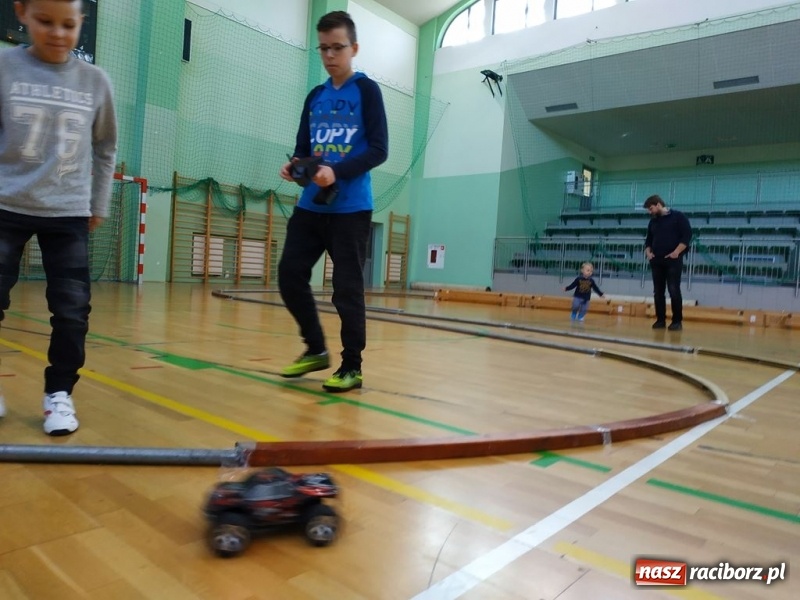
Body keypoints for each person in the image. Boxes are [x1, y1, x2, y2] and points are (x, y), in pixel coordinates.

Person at [0, 0, 118, 434]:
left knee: (71, 312)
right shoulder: (5, 67)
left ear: (81, 23)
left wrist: (98, 203)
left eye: (68, 25)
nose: (57, 33)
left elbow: (106, 147)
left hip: (67, 212)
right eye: (45, 21)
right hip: (5, 205)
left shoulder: (95, 82)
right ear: (22, 13)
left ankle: (59, 394)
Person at [277, 11, 388, 393]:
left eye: (337, 47)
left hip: (351, 210)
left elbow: (378, 150)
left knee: (346, 289)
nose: (329, 55)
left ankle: (351, 366)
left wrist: (337, 172)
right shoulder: (315, 96)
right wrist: (296, 168)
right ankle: (315, 349)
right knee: (289, 274)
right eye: (323, 48)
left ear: (353, 48)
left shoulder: (366, 91)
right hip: (311, 207)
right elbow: (303, 149)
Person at [643, 194, 692, 331]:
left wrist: (677, 252)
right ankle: (660, 320)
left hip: (673, 261)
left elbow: (687, 235)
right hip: (656, 261)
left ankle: (677, 321)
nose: (650, 212)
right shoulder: (653, 222)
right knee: (658, 292)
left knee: (673, 290)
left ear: (658, 204)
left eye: (651, 208)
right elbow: (648, 240)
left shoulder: (678, 217)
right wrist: (648, 252)